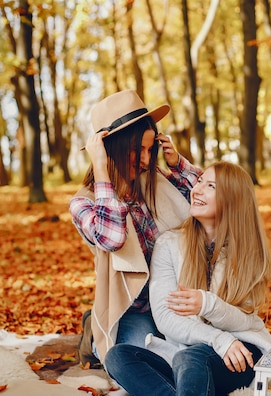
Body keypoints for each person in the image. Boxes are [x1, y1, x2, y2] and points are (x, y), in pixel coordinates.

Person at [105, 161, 271, 396]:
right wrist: (216, 337)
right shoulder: (169, 244)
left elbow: (244, 321)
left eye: (210, 186)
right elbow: (167, 318)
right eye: (200, 182)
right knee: (118, 356)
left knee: (191, 357)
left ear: (233, 198)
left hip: (241, 352)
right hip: (190, 353)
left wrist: (206, 304)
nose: (196, 189)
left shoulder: (249, 250)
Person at [69, 89, 202, 367]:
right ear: (108, 150)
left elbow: (205, 202)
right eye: (135, 150)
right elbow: (112, 238)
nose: (145, 159)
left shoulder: (152, 179)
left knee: (199, 352)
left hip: (170, 299)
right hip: (133, 309)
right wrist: (102, 169)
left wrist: (177, 164)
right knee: (153, 361)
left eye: (149, 148)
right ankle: (94, 331)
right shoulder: (85, 202)